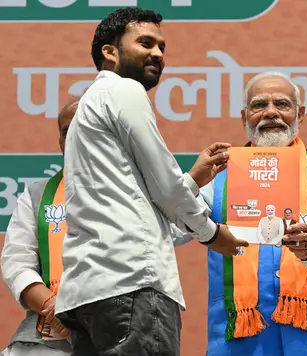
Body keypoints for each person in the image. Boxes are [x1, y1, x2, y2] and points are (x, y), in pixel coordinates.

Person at [53, 7, 247, 356]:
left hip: (88, 293)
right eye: (145, 43)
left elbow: (137, 203)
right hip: (131, 286)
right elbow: (166, 188)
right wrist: (213, 234)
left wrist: (191, 180)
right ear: (109, 52)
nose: (157, 53)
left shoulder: (88, 107)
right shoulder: (124, 91)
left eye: (162, 47)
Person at [198, 71, 307, 355]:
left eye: (282, 104)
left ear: (299, 115)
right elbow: (173, 231)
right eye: (259, 105)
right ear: (244, 117)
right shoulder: (217, 177)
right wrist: (192, 183)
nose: (271, 113)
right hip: (240, 342)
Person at [0, 98, 79, 356]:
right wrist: (53, 307)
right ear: (59, 142)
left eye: (85, 127)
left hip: (117, 334)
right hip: (45, 340)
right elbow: (16, 262)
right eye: (68, 132)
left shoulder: (134, 193)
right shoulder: (38, 195)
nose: (76, 138)